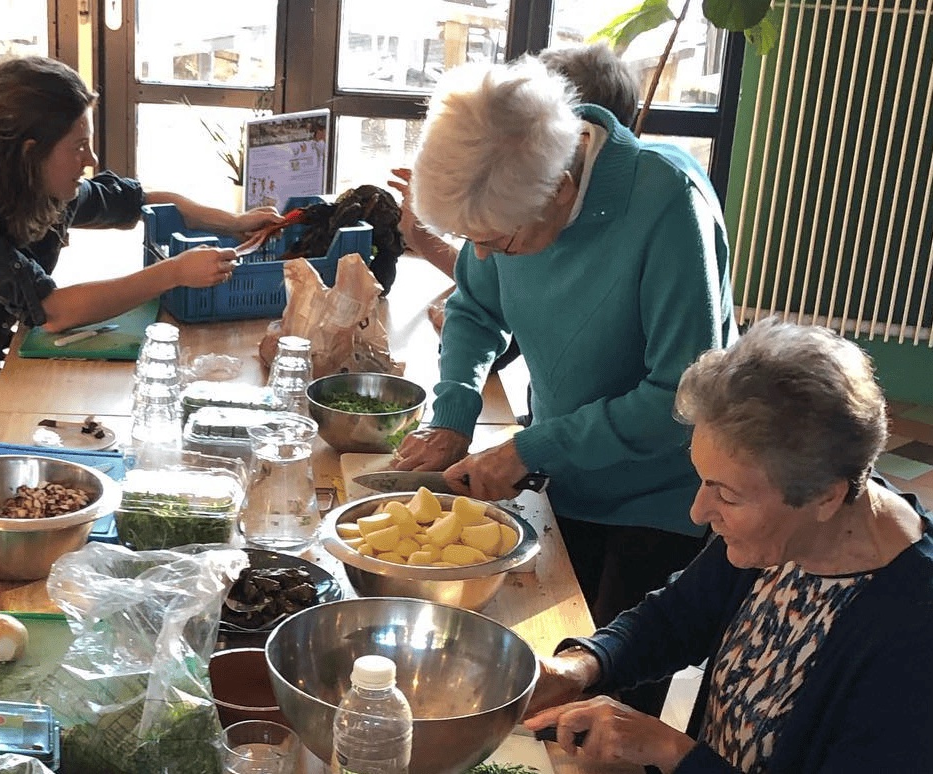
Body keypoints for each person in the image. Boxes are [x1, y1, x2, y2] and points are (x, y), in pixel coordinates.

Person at [394, 59, 736, 645]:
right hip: (569, 472)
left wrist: (530, 447)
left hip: (658, 496)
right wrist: (453, 415)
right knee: (542, 647)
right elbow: (475, 310)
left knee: (604, 690)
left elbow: (681, 399)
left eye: (495, 242)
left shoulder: (666, 203)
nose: (481, 257)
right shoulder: (512, 194)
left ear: (560, 190)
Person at [0, 55, 283, 477]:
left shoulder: (43, 194)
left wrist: (235, 220)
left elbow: (142, 201)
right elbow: (52, 309)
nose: (92, 161)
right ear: (30, 151)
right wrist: (173, 272)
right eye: (79, 147)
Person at [522, 318, 933, 772]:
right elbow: (679, 615)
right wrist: (584, 664)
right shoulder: (789, 530)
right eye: (703, 481)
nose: (699, 512)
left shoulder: (912, 633)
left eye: (728, 494)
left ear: (825, 497)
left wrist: (672, 752)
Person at [392, 42, 640, 333]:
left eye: (498, 242)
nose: (482, 253)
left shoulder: (645, 213)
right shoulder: (525, 211)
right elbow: (480, 301)